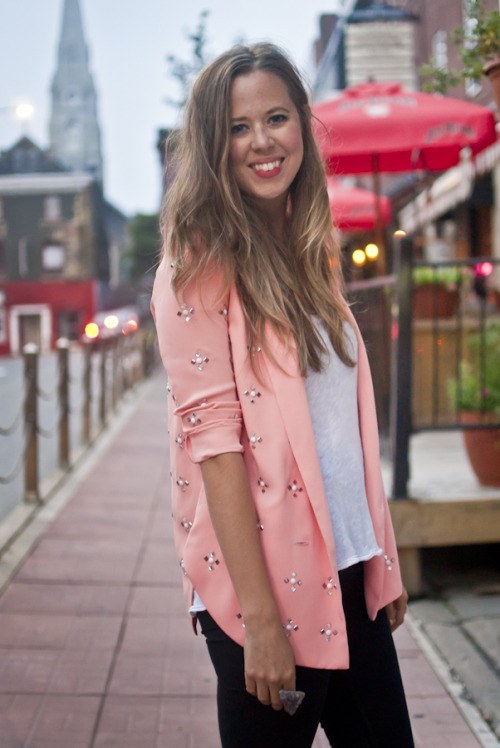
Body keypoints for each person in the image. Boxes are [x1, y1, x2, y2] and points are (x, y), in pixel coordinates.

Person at [151, 42, 414, 748]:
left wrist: (379, 559)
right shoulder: (197, 265)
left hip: (348, 570)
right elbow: (216, 447)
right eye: (239, 127)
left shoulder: (310, 251)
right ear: (214, 143)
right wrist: (261, 623)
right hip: (267, 591)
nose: (262, 142)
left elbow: (340, 430)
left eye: (276, 117)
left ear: (302, 123)